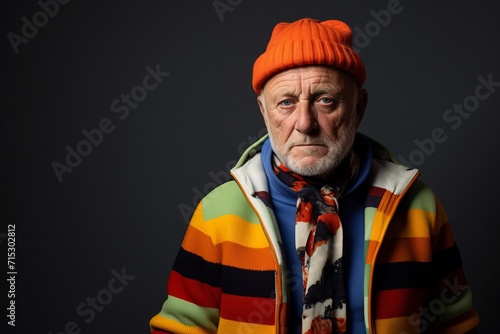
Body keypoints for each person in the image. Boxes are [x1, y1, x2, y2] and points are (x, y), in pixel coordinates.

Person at [149, 18, 479, 333]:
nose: (305, 123)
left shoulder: (419, 208)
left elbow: (454, 325)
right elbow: (179, 329)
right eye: (286, 103)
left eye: (325, 100)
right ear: (264, 112)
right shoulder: (217, 213)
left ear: (358, 108)